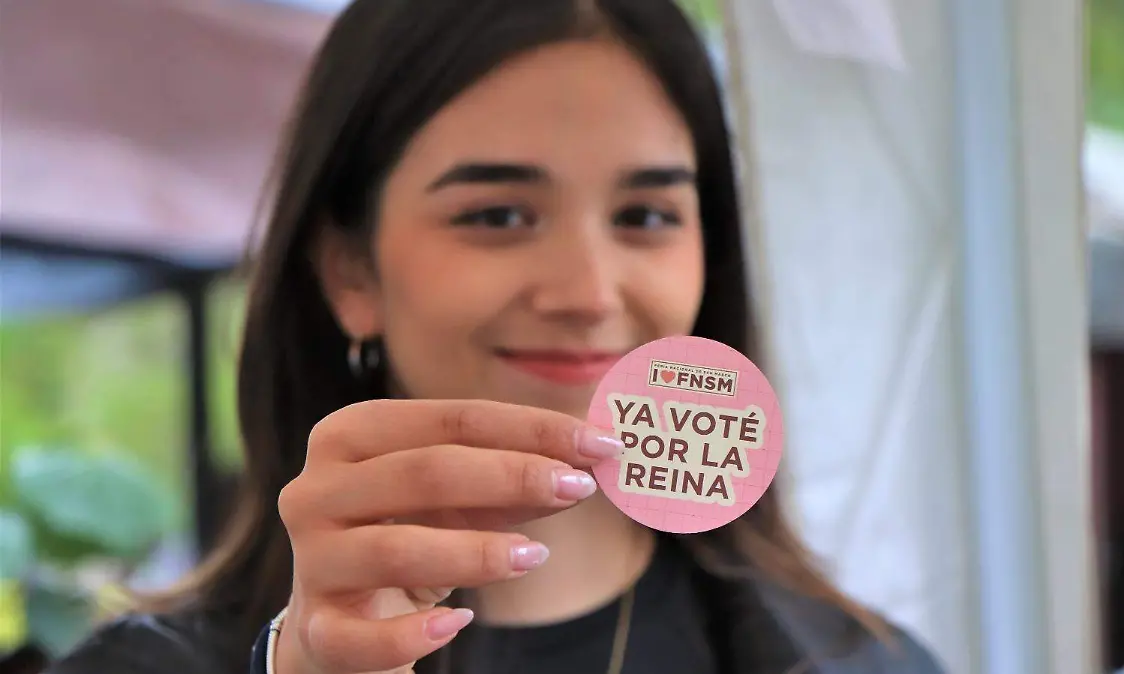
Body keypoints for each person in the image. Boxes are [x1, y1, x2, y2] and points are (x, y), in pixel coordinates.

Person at [49, 1, 945, 672]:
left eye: (646, 214)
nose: (588, 293)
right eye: (500, 214)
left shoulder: (867, 661)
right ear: (349, 273)